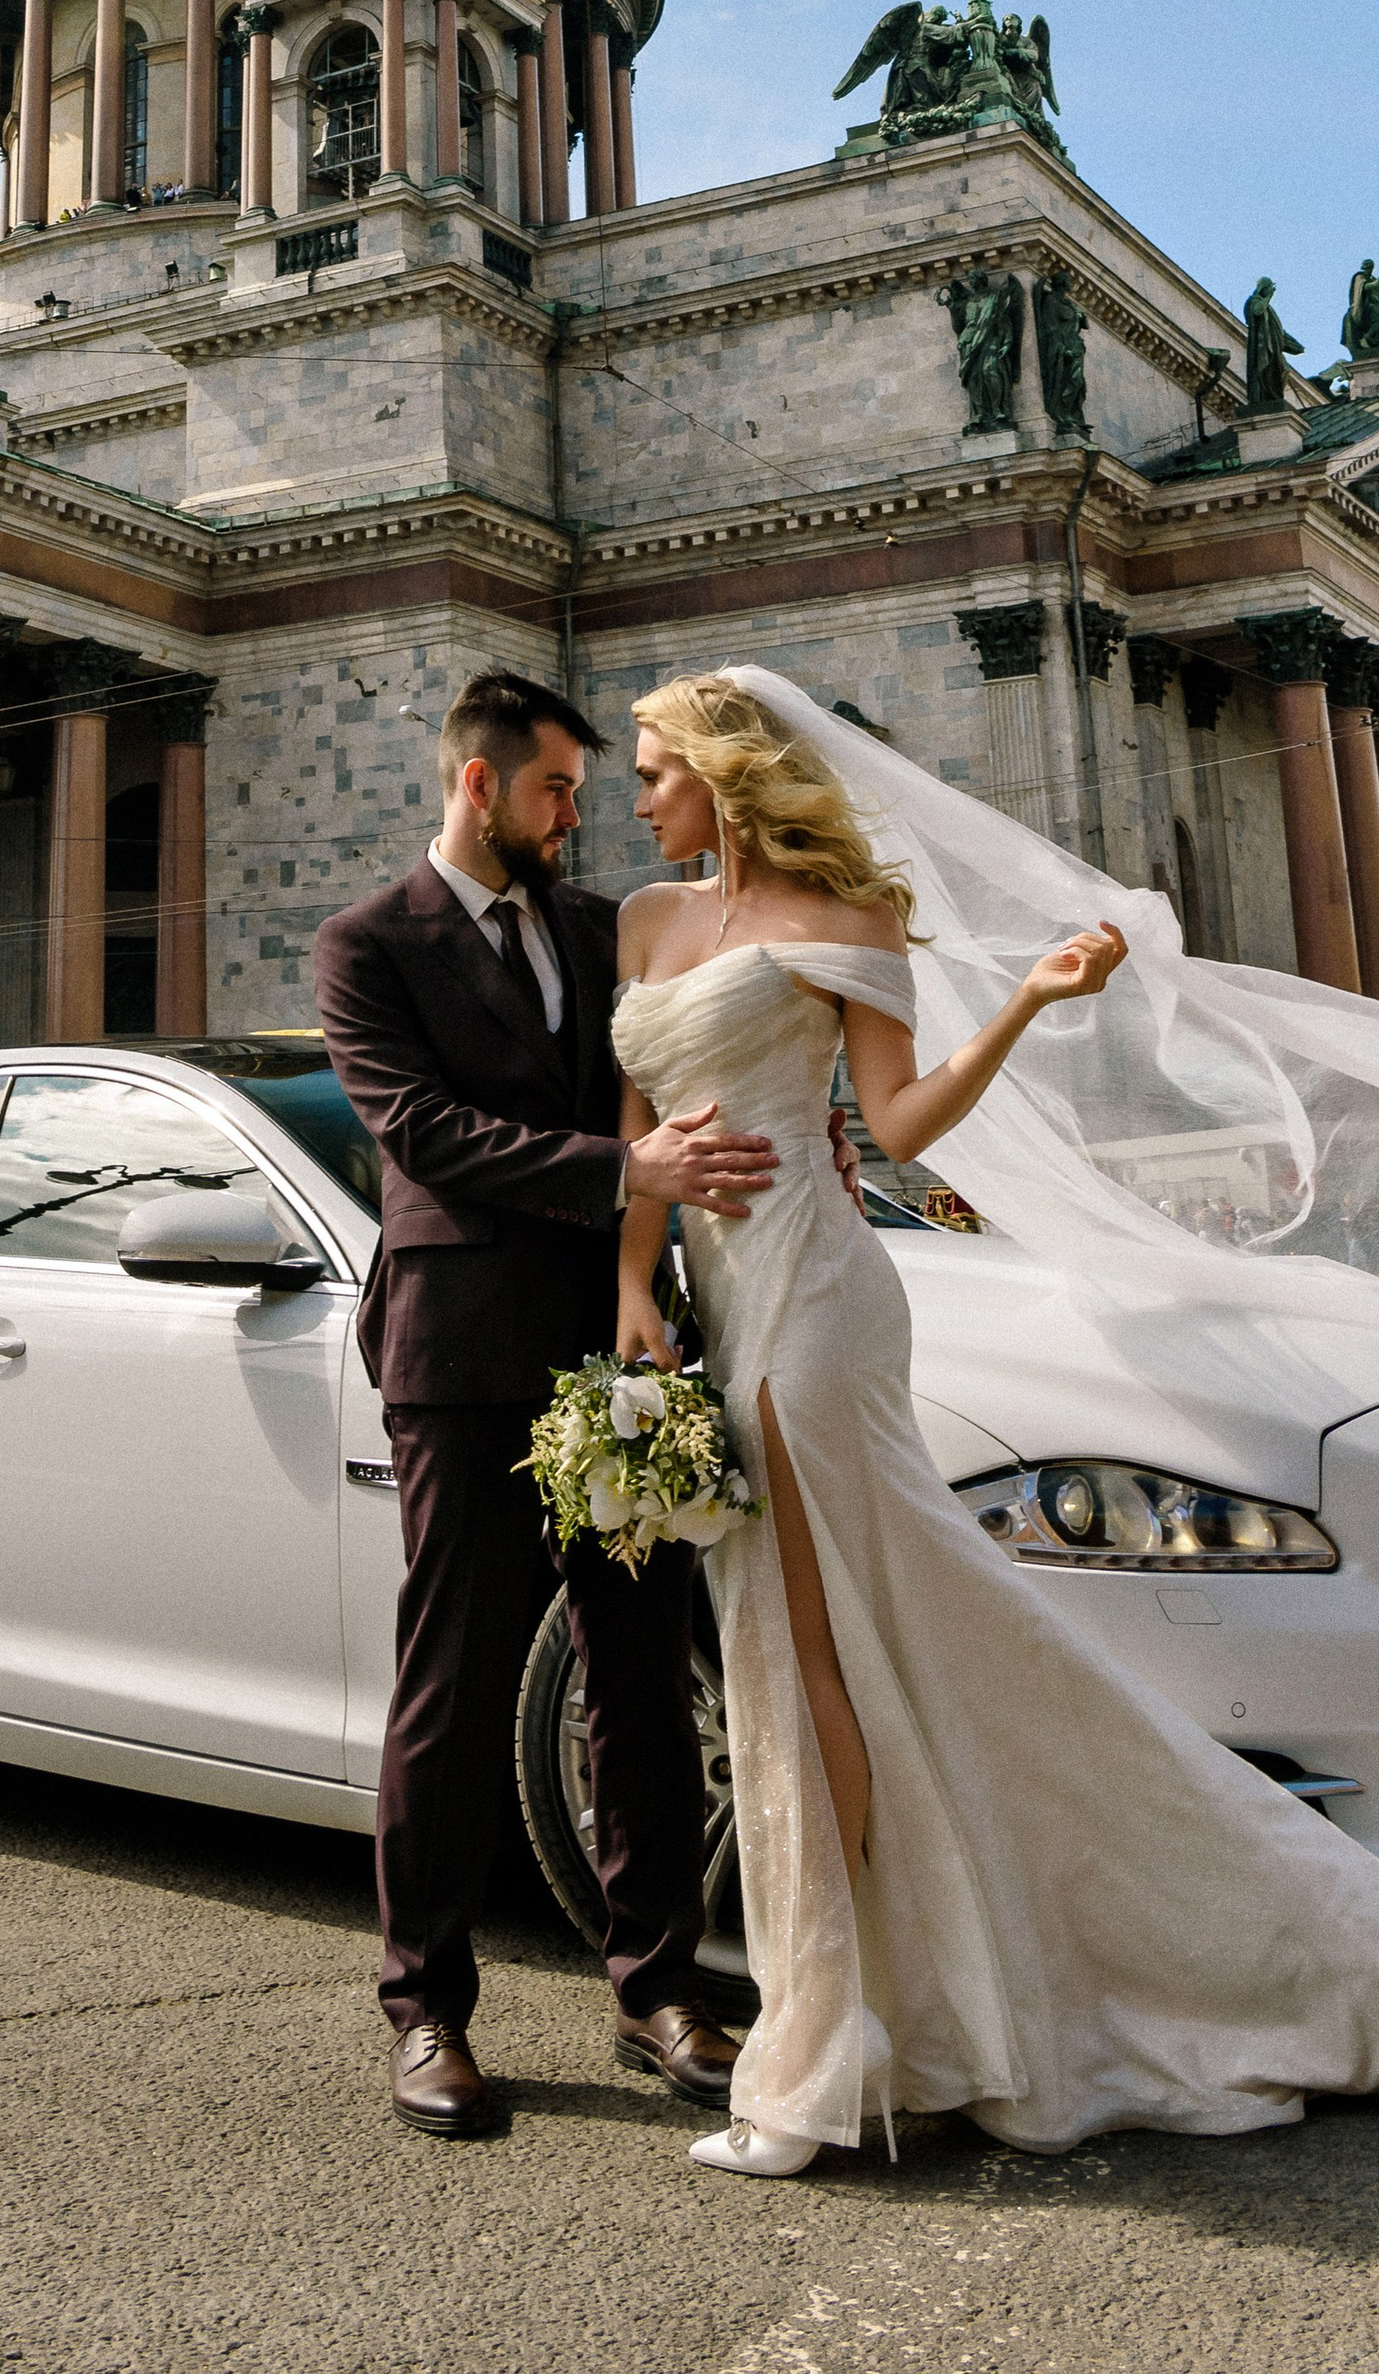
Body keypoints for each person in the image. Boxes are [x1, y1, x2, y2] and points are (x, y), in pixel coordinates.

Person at [611, 666, 1379, 2175]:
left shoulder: (850, 921)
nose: (637, 795)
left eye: (654, 769)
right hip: (721, 1311)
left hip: (818, 1306)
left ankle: (823, 2052)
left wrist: (1027, 1003)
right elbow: (642, 1136)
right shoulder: (647, 923)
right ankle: (875, 2019)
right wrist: (634, 1287)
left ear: (723, 773)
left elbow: (895, 1124)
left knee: (805, 1662)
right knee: (842, 1651)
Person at [314, 667, 857, 2144]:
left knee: (639, 1678)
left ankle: (656, 1986)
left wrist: (812, 1127)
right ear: (478, 783)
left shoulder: (597, 925)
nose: (576, 814)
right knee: (455, 1681)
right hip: (462, 1359)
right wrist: (628, 1173)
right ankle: (427, 2007)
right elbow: (425, 1132)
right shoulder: (366, 943)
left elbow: (678, 1072)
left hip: (622, 1347)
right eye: (555, 787)